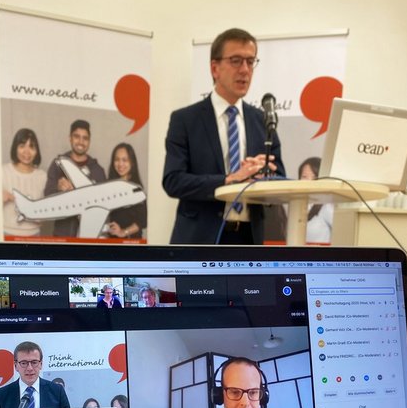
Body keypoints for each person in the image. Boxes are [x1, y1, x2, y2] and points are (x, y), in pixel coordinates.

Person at [163, 27, 285, 246]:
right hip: (199, 240)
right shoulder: (185, 120)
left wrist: (262, 175)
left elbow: (281, 181)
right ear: (215, 68)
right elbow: (173, 181)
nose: (245, 70)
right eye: (236, 60)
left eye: (250, 61)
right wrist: (230, 179)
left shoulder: (263, 120)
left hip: (249, 239)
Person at [183, 357, 291, 408]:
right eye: (235, 392)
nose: (245, 403)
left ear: (263, 396)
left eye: (253, 392)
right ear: (220, 395)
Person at [44, 119, 106, 237]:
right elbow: (47, 196)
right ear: (70, 138)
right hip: (62, 236)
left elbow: (105, 205)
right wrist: (58, 189)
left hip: (90, 238)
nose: (81, 142)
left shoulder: (98, 171)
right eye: (77, 136)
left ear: (89, 141)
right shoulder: (58, 164)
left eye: (85, 138)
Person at [2, 128, 47, 237]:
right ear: (15, 148)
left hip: (35, 236)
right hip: (7, 234)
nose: (27, 152)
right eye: (22, 146)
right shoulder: (3, 171)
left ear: (37, 151)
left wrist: (37, 215)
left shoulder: (43, 176)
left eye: (31, 146)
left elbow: (44, 217)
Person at [103, 143, 146, 239]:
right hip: (111, 241)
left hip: (131, 242)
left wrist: (123, 232)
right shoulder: (108, 186)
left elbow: (142, 221)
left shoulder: (136, 189)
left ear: (132, 162)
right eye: (117, 159)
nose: (120, 164)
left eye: (125, 160)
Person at [298, 156, 334, 244]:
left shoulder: (327, 206)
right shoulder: (296, 206)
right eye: (304, 177)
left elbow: (344, 234)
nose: (309, 181)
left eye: (314, 178)